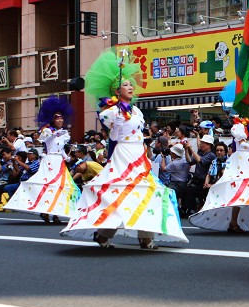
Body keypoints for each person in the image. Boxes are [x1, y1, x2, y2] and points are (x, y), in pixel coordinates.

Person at [61, 50, 187, 250]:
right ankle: (103, 234)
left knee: (147, 192)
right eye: (125, 85)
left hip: (138, 155)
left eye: (130, 84)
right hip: (123, 155)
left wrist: (145, 151)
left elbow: (140, 133)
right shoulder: (110, 112)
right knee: (120, 193)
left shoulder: (136, 110)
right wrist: (117, 123)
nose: (130, 87)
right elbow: (113, 138)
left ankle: (146, 237)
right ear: (116, 91)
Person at [4, 96, 80, 224]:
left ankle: (56, 213)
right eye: (57, 118)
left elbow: (60, 148)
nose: (60, 120)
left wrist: (66, 157)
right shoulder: (47, 131)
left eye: (61, 118)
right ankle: (45, 211)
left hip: (59, 162)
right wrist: (54, 134)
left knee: (60, 186)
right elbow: (45, 141)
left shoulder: (63, 133)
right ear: (52, 119)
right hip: (49, 161)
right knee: (47, 185)